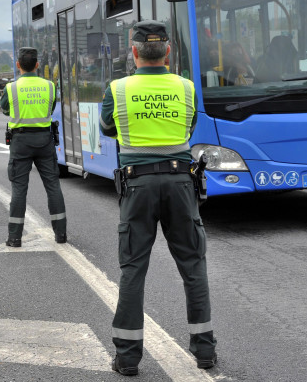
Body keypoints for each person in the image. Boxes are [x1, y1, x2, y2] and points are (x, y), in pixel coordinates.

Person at [100, 20, 217, 376]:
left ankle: (127, 358)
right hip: (182, 183)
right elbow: (189, 127)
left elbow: (107, 128)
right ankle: (205, 352)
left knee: (133, 269)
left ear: (133, 51)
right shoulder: (185, 87)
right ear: (167, 51)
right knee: (193, 266)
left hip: (137, 187)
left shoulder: (117, 89)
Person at [0, 47, 67, 248]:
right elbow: (51, 108)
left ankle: (14, 237)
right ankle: (61, 234)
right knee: (53, 186)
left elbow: (5, 109)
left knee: (19, 189)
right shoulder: (49, 86)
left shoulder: (11, 88)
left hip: (20, 142)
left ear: (18, 65)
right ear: (37, 65)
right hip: (45, 140)